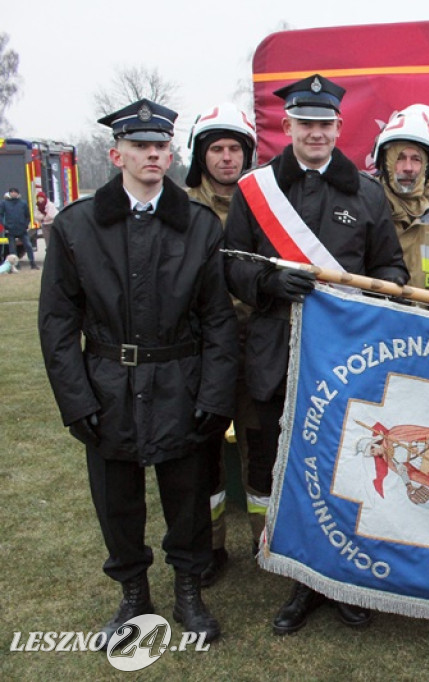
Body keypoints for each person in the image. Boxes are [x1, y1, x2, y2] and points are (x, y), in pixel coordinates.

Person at [37, 98, 237, 646]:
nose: (153, 154)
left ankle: (189, 591)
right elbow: (57, 322)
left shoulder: (198, 225)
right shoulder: (78, 226)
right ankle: (132, 593)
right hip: (108, 385)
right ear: (116, 153)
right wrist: (76, 401)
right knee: (116, 497)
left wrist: (215, 395)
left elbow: (218, 321)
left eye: (161, 146)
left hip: (181, 381)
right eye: (141, 146)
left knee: (188, 493)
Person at [224, 73, 408, 636]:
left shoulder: (368, 192)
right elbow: (231, 263)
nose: (315, 133)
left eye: (325, 124)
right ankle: (303, 583)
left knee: (349, 466)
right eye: (305, 124)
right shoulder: (255, 190)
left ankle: (346, 579)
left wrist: (376, 296)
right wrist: (267, 284)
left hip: (346, 355)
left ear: (338, 128)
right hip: (277, 350)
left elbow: (392, 269)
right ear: (287, 127)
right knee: (294, 471)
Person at [185, 102, 260, 585]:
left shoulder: (265, 201)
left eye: (236, 149)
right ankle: (209, 548)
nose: (227, 158)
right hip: (199, 350)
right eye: (217, 149)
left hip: (255, 346)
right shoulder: (182, 207)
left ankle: (265, 542)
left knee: (262, 449)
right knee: (201, 451)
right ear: (201, 155)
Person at [372, 107, 429, 288]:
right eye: (400, 158)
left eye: (416, 159)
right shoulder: (364, 204)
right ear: (385, 162)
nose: (408, 168)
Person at [0, 187, 36, 269]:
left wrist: (26, 225)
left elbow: (28, 215)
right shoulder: (4, 203)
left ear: (18, 193)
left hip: (22, 230)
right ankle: (16, 266)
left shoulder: (23, 203)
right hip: (10, 230)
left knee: (29, 246)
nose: (13, 193)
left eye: (15, 192)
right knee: (12, 249)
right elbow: (1, 215)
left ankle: (33, 264)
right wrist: (5, 225)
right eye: (11, 192)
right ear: (9, 193)